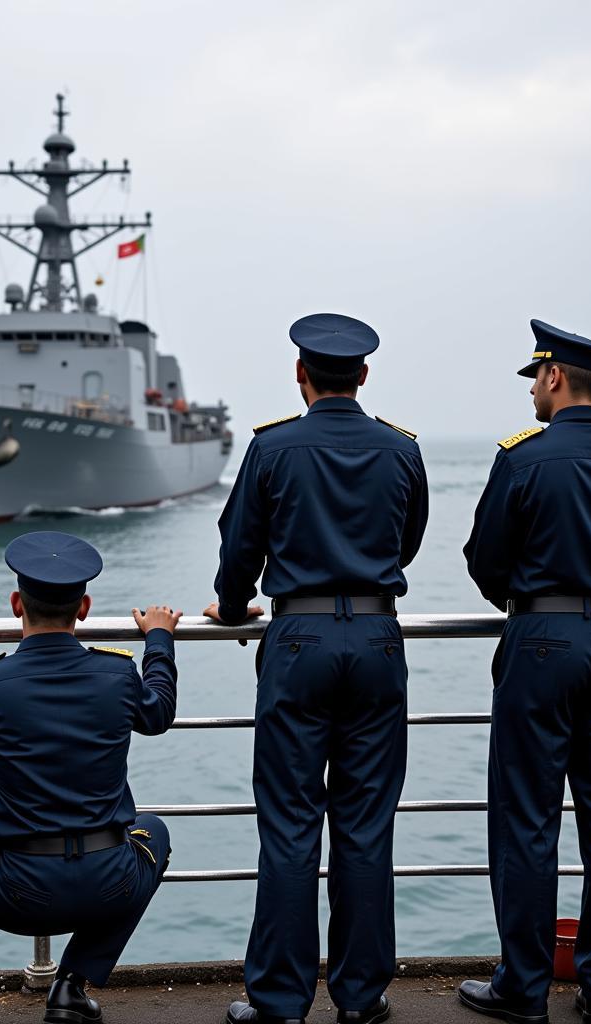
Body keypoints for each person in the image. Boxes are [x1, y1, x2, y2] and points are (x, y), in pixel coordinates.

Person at [206, 313, 429, 1024]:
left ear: (299, 375)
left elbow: (239, 545)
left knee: (291, 825)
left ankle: (279, 1000)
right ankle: (362, 999)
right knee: (366, 827)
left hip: (297, 640)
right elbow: (410, 538)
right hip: (376, 639)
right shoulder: (401, 450)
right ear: (363, 375)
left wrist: (235, 605)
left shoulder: (272, 447)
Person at [459, 320, 591, 1024]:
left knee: (527, 822)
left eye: (534, 381)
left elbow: (485, 558)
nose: (532, 395)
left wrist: (531, 605)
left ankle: (523, 990)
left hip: (541, 641)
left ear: (554, 379)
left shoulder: (523, 459)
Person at [0, 531, 180, 1024]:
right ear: (84, 607)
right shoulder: (117, 675)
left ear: (15, 604)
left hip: (16, 891)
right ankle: (72, 984)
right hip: (109, 882)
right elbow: (159, 713)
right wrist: (159, 638)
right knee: (154, 831)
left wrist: (0, 833)